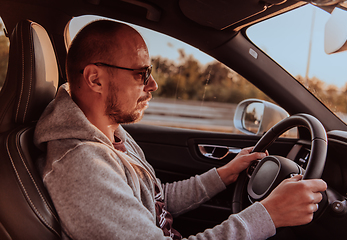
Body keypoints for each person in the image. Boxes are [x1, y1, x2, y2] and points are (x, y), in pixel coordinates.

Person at [34, 20, 327, 240]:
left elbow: (157, 199)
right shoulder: (80, 166)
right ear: (95, 79)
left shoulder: (112, 134)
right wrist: (267, 215)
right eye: (141, 73)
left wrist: (225, 173)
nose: (153, 85)